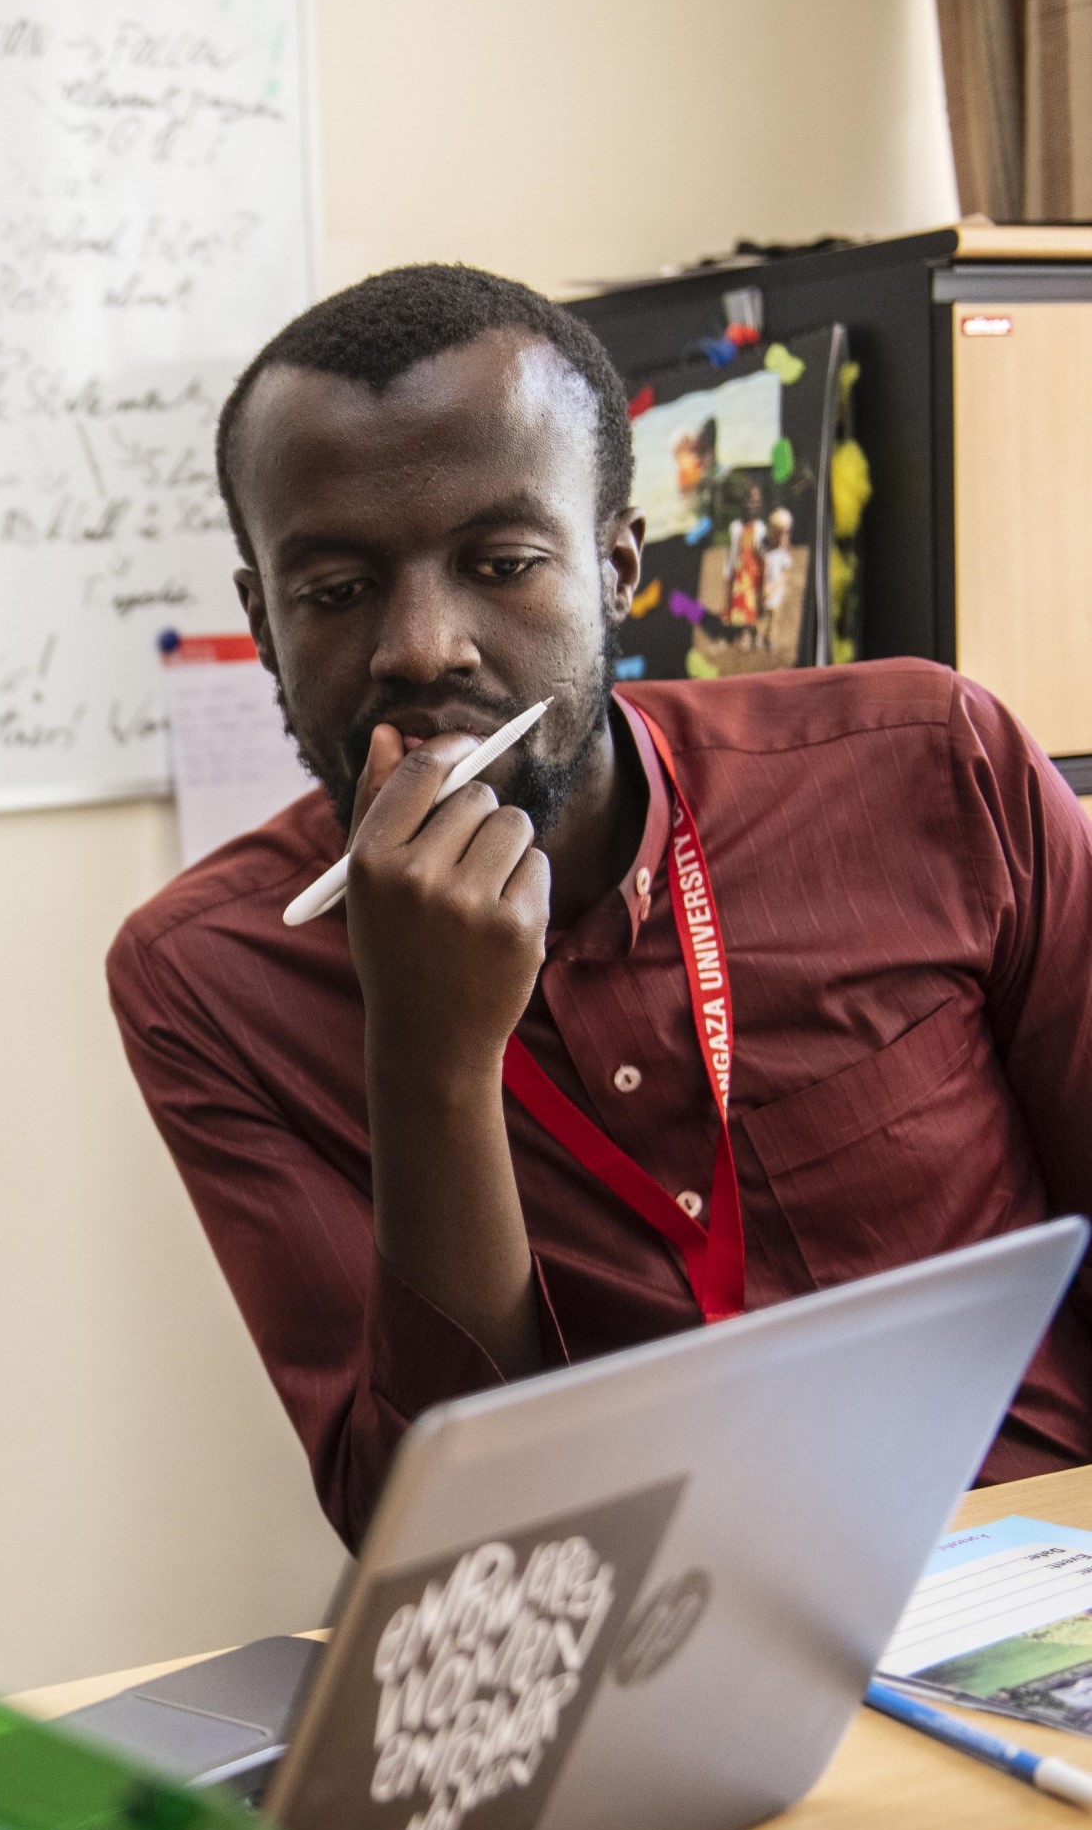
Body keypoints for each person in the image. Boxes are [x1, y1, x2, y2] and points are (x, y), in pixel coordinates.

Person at [108, 264, 1092, 1548]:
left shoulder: (929, 761)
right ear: (265, 618)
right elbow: (433, 1541)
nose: (421, 646)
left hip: (1035, 1584)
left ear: (618, 560)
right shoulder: (210, 975)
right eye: (337, 592)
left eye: (501, 561)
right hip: (655, 1666)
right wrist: (432, 1062)